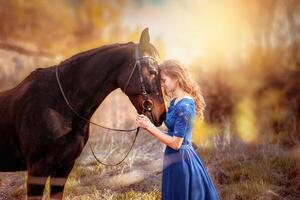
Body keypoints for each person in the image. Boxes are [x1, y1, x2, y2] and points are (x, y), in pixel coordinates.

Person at [136, 59, 220, 200]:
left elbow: (176, 143)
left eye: (163, 81)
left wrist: (150, 127)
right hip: (172, 158)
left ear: (176, 78)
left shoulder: (185, 106)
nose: (162, 85)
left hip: (182, 161)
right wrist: (147, 123)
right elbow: (171, 131)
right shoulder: (175, 102)